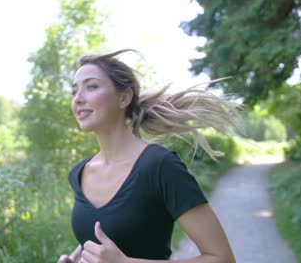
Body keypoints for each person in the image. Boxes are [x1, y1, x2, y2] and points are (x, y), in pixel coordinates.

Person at [57, 49, 237, 263]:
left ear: (124, 97)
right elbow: (109, 235)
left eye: (91, 87)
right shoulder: (79, 173)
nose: (78, 99)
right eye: (74, 91)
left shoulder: (160, 166)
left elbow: (222, 258)